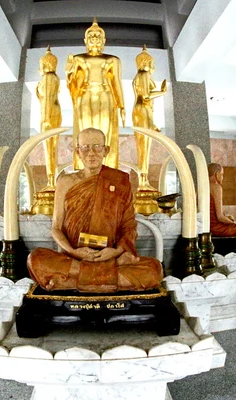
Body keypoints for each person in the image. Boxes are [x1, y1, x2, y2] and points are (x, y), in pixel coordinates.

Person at [27, 128, 163, 292]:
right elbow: (56, 228)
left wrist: (115, 252)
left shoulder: (120, 180)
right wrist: (75, 252)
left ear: (106, 150)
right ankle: (108, 279)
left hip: (110, 256)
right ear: (77, 151)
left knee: (154, 269)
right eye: (85, 147)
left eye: (97, 146)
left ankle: (72, 282)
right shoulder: (65, 181)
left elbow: (129, 226)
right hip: (74, 258)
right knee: (35, 259)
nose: (91, 153)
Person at [65, 18, 125, 170]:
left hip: (105, 95)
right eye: (91, 35)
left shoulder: (112, 59)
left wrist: (122, 105)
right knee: (84, 130)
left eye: (98, 35)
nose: (94, 38)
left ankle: (107, 166)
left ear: (104, 40)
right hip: (84, 95)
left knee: (105, 130)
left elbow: (116, 82)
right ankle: (83, 168)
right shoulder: (79, 58)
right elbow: (73, 85)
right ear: (85, 40)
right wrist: (68, 72)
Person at [132, 45, 168, 190]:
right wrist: (162, 92)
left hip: (143, 111)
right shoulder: (143, 75)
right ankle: (143, 181)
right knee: (144, 147)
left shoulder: (142, 76)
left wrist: (152, 124)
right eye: (150, 63)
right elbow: (146, 96)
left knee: (145, 146)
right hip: (142, 109)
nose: (152, 66)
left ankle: (144, 180)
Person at [36, 46, 62, 190]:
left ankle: (51, 181)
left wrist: (45, 121)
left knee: (49, 148)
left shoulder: (48, 79)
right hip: (53, 114)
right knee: (51, 148)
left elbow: (47, 102)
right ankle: (51, 179)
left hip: (48, 116)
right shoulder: (54, 78)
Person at [208, 163, 236, 237]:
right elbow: (220, 217)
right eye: (222, 174)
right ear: (216, 174)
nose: (222, 177)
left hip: (207, 227)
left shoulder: (201, 187)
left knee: (231, 218)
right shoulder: (216, 187)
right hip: (216, 228)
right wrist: (234, 225)